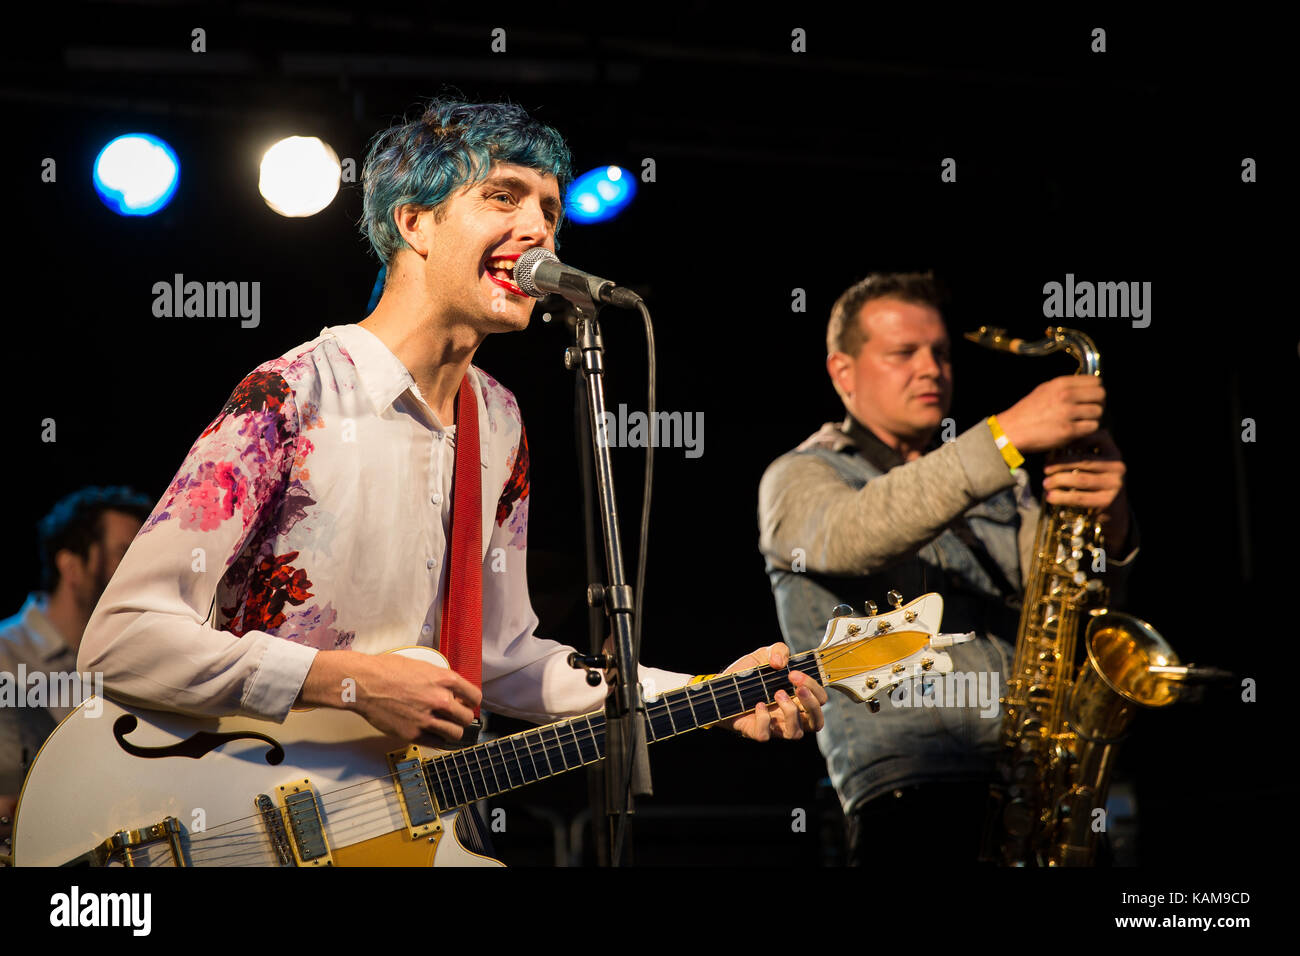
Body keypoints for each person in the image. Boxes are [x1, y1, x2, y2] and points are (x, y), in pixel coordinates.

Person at [76, 100, 825, 824]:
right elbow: (121, 641)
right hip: (240, 808)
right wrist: (347, 684)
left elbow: (501, 659)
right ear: (415, 222)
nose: (538, 229)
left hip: (381, 823)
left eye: (550, 211)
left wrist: (706, 695)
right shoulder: (291, 394)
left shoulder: (497, 420)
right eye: (503, 196)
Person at [757, 272, 1136, 864]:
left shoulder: (1001, 485)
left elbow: (1073, 607)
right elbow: (862, 534)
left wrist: (1108, 527)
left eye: (939, 352)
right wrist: (1005, 435)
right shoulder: (801, 475)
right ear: (843, 372)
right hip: (911, 804)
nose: (930, 368)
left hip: (1042, 788)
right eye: (903, 353)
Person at [1, 487, 152, 820]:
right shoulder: (4, 656)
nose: (140, 572)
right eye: (123, 554)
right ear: (70, 566)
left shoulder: (139, 657)